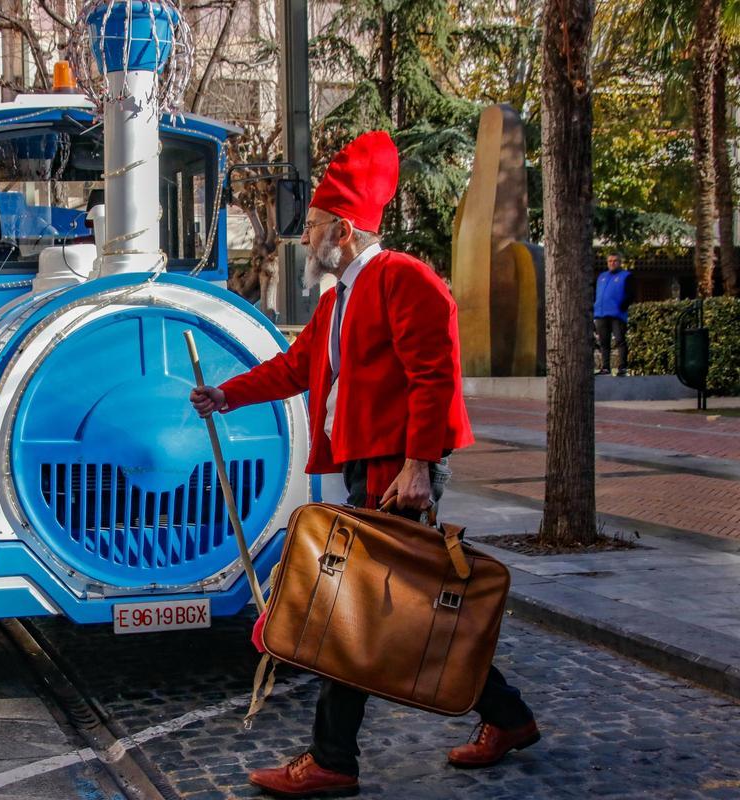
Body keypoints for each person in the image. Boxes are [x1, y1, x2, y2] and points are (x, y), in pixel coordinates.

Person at [190, 131, 538, 797]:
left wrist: (417, 465)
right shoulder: (336, 299)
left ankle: (332, 759)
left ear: (343, 230)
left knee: (354, 607)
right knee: (398, 605)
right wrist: (226, 396)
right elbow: (296, 368)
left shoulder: (403, 278)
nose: (307, 233)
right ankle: (508, 716)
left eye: (316, 223)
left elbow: (435, 377)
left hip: (396, 467)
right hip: (368, 466)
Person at [593, 252, 634, 376]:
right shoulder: (601, 277)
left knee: (620, 341)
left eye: (615, 260)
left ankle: (622, 368)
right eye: (610, 261)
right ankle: (605, 368)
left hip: (617, 315)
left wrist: (622, 307)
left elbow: (631, 294)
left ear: (620, 262)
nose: (612, 263)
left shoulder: (626, 276)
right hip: (601, 314)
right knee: (604, 343)